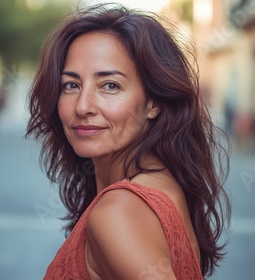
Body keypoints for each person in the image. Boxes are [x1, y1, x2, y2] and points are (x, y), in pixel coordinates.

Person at [26, 3, 230, 279]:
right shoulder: (162, 183)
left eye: (110, 85)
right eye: (71, 85)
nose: (83, 106)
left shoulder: (118, 211)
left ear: (153, 103)